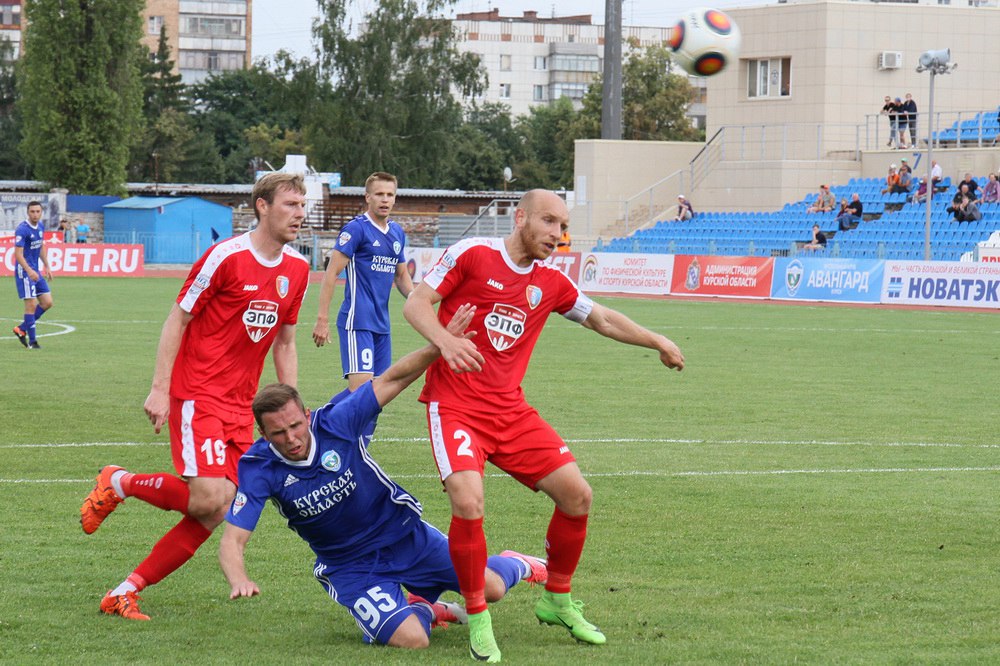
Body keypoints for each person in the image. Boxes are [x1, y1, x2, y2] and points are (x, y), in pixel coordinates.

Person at [402, 189, 685, 662]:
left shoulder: (549, 282)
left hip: (510, 412)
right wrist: (444, 343)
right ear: (521, 218)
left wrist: (656, 339)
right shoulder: (473, 255)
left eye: (563, 225)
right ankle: (477, 615)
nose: (558, 234)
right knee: (469, 502)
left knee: (577, 495)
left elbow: (601, 319)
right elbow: (417, 303)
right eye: (549, 222)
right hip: (455, 406)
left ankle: (556, 598)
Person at [220, 306, 548, 651]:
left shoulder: (336, 421)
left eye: (295, 426)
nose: (291, 438)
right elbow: (233, 539)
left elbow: (390, 379)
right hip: (350, 565)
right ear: (262, 432)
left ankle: (519, 563)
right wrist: (239, 578)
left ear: (306, 415)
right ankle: (423, 607)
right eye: (278, 433)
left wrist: (440, 345)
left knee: (491, 589)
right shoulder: (258, 466)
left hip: (404, 535)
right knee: (413, 640)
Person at [79, 172, 312, 620]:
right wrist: (160, 389)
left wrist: (292, 405)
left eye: (302, 206)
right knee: (209, 497)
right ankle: (119, 482)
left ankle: (125, 590)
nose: (299, 214)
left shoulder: (298, 269)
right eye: (290, 204)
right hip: (198, 393)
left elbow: (284, 341)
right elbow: (177, 319)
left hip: (242, 406)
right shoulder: (225, 256)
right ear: (262, 206)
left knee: (218, 509)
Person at [312, 172, 414, 397]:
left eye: (390, 194)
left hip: (382, 325)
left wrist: (418, 300)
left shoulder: (397, 233)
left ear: (395, 198)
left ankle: (337, 428)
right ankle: (326, 426)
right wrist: (322, 319)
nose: (385, 199)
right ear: (368, 197)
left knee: (379, 394)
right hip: (357, 321)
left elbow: (402, 275)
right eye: (379, 194)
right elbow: (331, 274)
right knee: (362, 392)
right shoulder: (356, 229)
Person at [11, 201, 53, 350]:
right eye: (32, 211)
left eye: (38, 211)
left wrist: (47, 265)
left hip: (36, 271)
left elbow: (41, 246)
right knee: (31, 305)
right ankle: (32, 342)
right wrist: (29, 270)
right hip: (25, 272)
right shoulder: (22, 229)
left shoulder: (40, 226)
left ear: (41, 212)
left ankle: (21, 328)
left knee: (47, 302)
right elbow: (18, 254)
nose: (35, 214)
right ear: (28, 213)